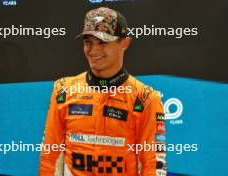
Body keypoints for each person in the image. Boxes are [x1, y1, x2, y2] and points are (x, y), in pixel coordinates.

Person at [39, 7, 166, 176]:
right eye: (88, 42)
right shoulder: (63, 90)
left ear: (125, 43)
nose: (92, 51)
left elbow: (153, 165)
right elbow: (49, 158)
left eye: (102, 42)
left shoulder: (145, 98)